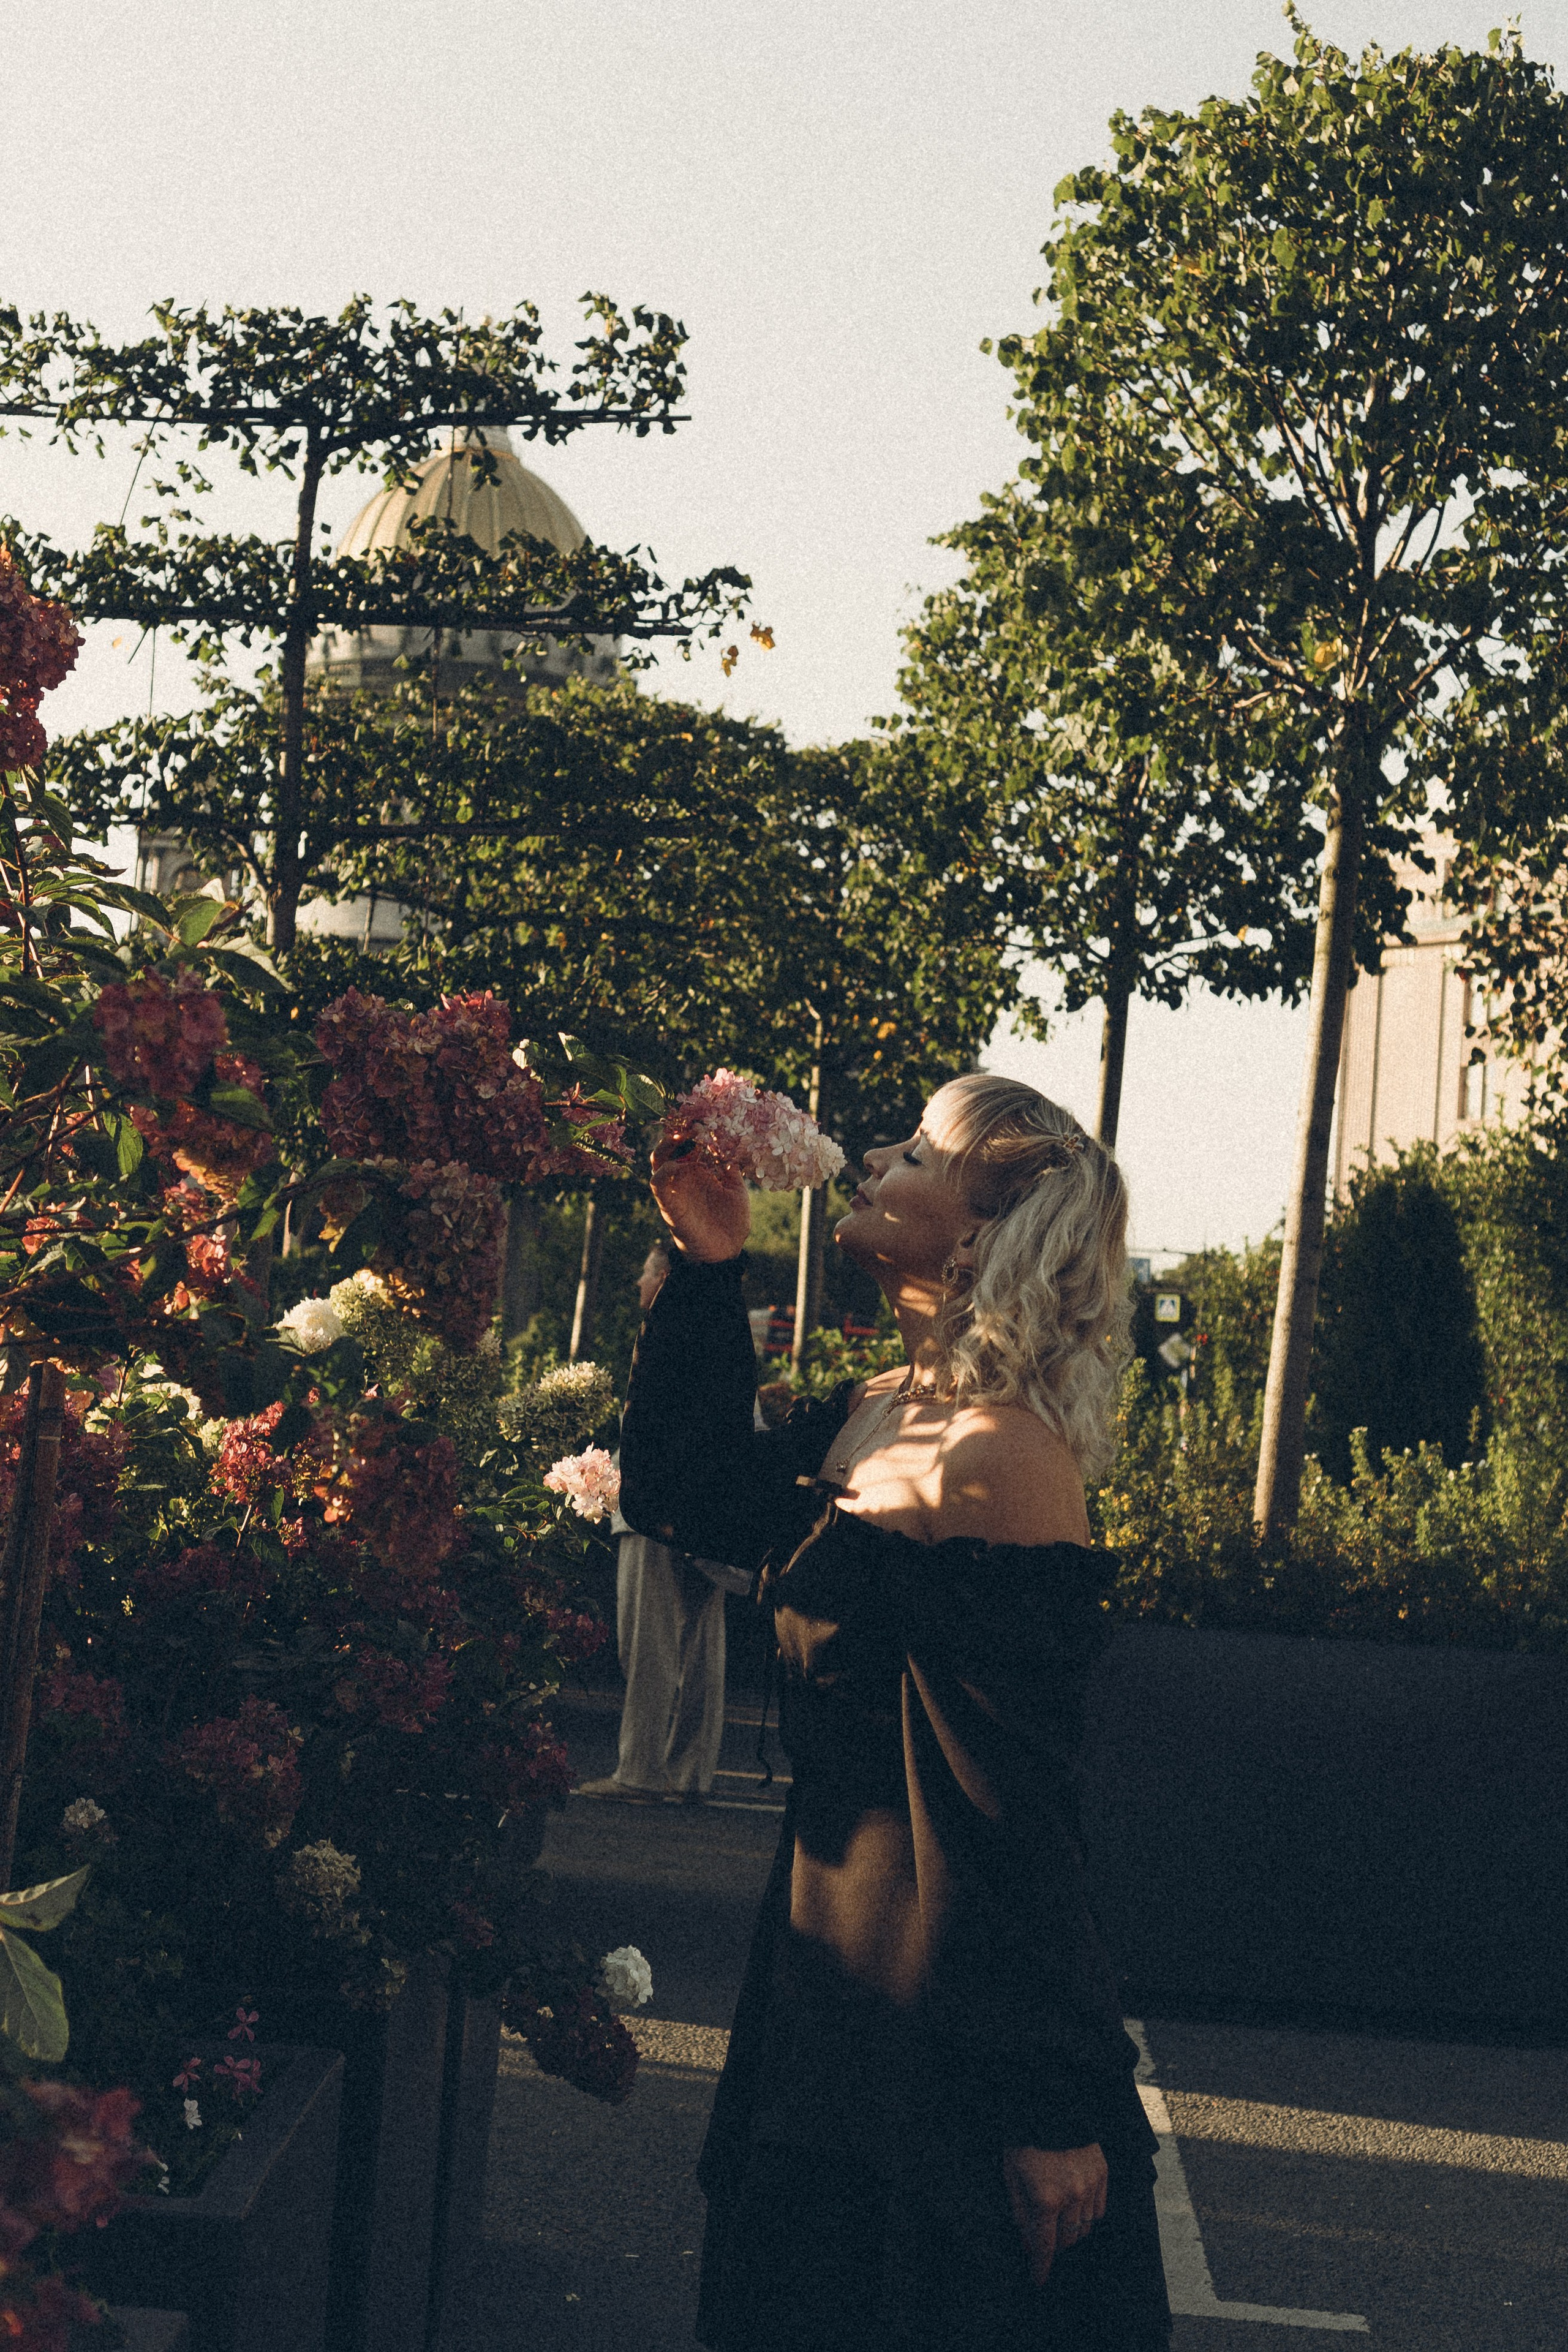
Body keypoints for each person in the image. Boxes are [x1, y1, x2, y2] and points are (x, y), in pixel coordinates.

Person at [619, 1073, 1171, 2351]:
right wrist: (707, 1263)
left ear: (979, 1234)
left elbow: (1009, 1814)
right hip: (827, 1972)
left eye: (918, 1148)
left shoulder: (1001, 1460)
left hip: (941, 2033)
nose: (873, 1154)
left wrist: (1047, 2106)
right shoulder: (877, 1411)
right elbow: (681, 1489)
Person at [577, 1240, 737, 1805]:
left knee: (648, 1644)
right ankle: (688, 1773)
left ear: (667, 1276)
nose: (638, 1284)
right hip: (706, 1509)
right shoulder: (720, 1328)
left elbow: (652, 1431)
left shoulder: (667, 1337)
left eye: (646, 1272)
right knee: (699, 1648)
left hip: (658, 1510)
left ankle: (640, 1772)